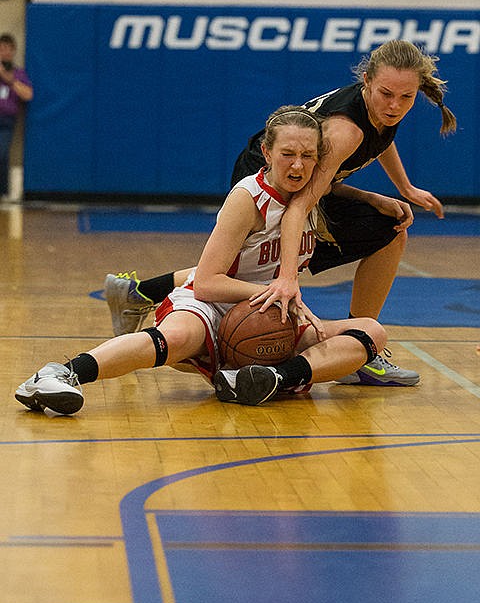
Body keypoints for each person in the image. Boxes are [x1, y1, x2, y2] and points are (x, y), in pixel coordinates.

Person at [104, 39, 456, 387]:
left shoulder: (380, 106)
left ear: (416, 90)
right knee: (258, 267)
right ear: (366, 81)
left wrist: (403, 189)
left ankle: (140, 292)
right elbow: (300, 205)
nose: (395, 105)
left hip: (297, 178)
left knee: (255, 261)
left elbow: (380, 140)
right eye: (387, 94)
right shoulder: (345, 129)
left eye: (405, 97)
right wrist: (288, 278)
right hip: (275, 178)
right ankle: (359, 352)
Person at [15, 106, 387, 414]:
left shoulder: (311, 198)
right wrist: (277, 293)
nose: (297, 165)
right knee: (173, 337)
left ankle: (266, 379)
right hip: (212, 304)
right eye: (288, 153)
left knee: (371, 331)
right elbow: (207, 281)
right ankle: (59, 374)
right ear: (267, 151)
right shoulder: (248, 198)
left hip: (267, 315)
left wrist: (380, 200)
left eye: (308, 156)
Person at [0, 33, 33, 199]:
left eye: (7, 49)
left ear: (13, 51)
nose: (4, 52)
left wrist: (7, 79)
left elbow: (28, 95)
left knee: (2, 153)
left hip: (6, 121)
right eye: (1, 49)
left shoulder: (18, 74)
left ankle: (4, 191)